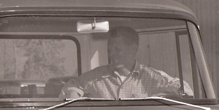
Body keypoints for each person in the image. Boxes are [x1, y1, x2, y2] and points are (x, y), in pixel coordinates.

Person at [60, 26, 191, 99]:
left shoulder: (152, 77)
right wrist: (72, 93)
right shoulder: (96, 77)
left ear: (133, 48)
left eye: (118, 50)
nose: (112, 54)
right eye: (110, 49)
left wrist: (164, 96)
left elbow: (184, 90)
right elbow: (72, 85)